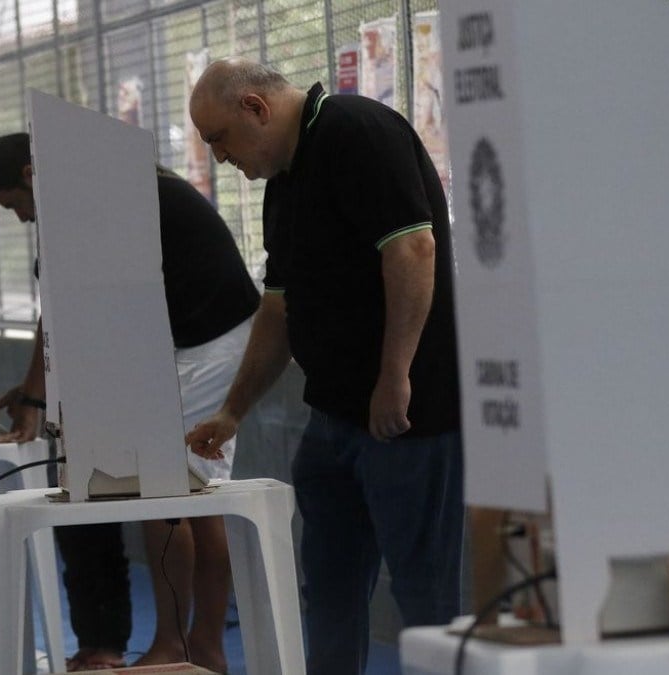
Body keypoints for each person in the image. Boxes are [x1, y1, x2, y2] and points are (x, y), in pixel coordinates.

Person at [185, 58, 465, 674]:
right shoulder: (286, 183)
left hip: (407, 417)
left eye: (219, 139)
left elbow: (414, 248)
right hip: (334, 419)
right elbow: (280, 308)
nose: (219, 158)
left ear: (255, 108)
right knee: (330, 588)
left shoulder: (356, 131)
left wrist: (395, 376)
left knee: (425, 594)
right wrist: (234, 409)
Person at [0, 132, 259, 672]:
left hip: (207, 343)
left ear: (31, 176)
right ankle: (202, 647)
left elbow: (57, 311)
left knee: (163, 496)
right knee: (195, 500)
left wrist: (37, 397)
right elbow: (72, 309)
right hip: (209, 337)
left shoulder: (86, 199)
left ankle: (178, 646)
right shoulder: (115, 185)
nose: (21, 220)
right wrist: (40, 390)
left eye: (16, 205)